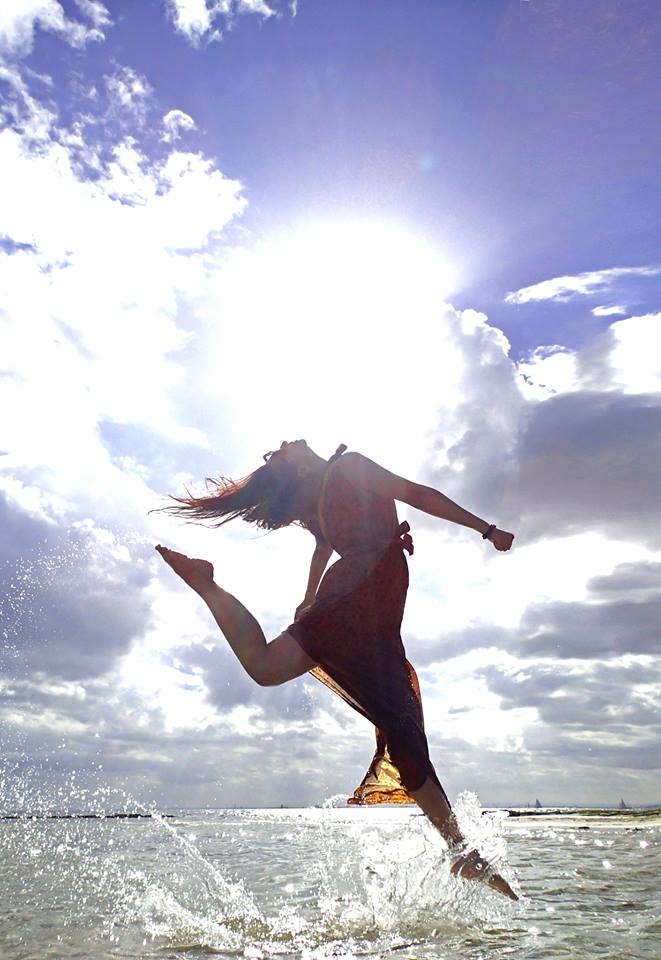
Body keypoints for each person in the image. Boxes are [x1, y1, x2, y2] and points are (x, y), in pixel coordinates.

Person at [156, 439, 518, 900]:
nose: (284, 443)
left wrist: (310, 597)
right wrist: (486, 529)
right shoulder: (348, 468)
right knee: (395, 721)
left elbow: (322, 549)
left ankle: (206, 585)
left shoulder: (325, 494)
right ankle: (461, 851)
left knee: (270, 669)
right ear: (299, 470)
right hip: (359, 599)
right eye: (280, 452)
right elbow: (416, 493)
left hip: (362, 601)